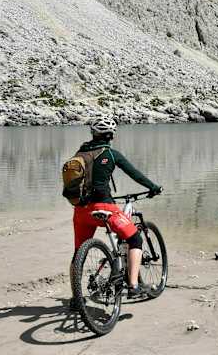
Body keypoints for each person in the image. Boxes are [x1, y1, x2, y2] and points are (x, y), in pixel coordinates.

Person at [70, 116, 162, 307]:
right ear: (110, 135)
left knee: (79, 252)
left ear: (93, 134)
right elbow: (135, 174)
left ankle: (75, 298)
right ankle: (134, 285)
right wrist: (153, 187)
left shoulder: (79, 153)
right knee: (135, 238)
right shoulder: (111, 154)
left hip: (80, 211)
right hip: (104, 207)